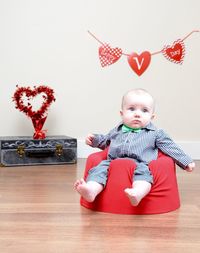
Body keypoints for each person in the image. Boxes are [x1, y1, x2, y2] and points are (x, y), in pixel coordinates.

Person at [74, 88, 195, 206]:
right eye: (131, 109)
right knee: (98, 170)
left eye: (144, 110)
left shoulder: (155, 133)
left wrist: (186, 162)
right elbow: (105, 141)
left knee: (144, 176)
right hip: (112, 162)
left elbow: (170, 147)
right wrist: (94, 140)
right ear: (122, 114)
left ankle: (137, 193)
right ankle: (91, 190)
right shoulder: (117, 130)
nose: (137, 114)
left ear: (152, 117)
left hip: (141, 164)